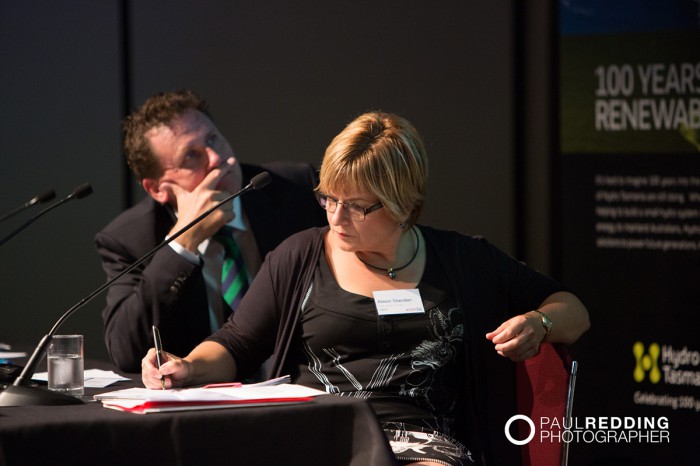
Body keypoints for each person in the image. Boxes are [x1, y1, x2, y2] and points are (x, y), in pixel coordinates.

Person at [141, 111, 590, 465]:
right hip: (320, 439)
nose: (335, 217)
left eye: (356, 206)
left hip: (425, 446)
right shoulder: (301, 256)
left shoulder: (464, 260)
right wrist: (188, 367)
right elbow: (237, 342)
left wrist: (540, 322)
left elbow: (573, 308)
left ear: (403, 205)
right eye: (328, 198)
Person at [95, 90, 327, 372]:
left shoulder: (295, 190)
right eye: (191, 155)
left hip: (301, 393)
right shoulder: (130, 239)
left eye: (213, 138)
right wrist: (182, 243)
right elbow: (126, 351)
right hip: (205, 403)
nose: (217, 158)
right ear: (157, 189)